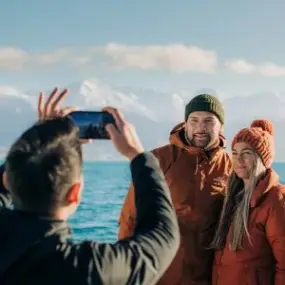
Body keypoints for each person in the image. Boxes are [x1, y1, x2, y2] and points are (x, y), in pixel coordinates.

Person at [0, 88, 180, 285]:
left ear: (7, 180)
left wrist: (42, 137)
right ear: (75, 194)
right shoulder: (87, 268)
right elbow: (161, 238)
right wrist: (137, 155)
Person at [118, 94, 232, 284]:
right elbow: (130, 216)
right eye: (194, 120)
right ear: (185, 124)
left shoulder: (232, 166)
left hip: (208, 273)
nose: (200, 127)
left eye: (209, 121)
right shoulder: (158, 159)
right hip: (162, 270)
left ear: (220, 126)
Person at [211, 119, 285, 285]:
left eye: (246, 153)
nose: (238, 160)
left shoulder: (276, 201)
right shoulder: (232, 198)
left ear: (261, 159)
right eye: (235, 153)